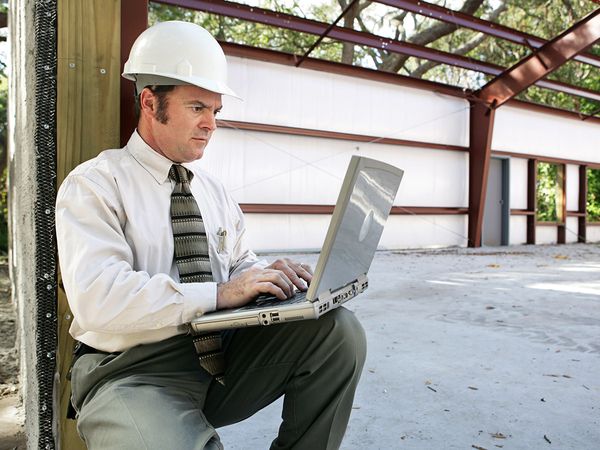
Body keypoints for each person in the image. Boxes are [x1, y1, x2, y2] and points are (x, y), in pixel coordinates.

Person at [56, 20, 366, 450]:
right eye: (197, 107)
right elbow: (98, 300)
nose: (211, 125)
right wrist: (220, 292)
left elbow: (239, 263)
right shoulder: (95, 184)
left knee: (338, 333)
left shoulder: (213, 192)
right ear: (150, 103)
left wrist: (267, 277)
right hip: (128, 372)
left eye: (215, 111)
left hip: (217, 360)